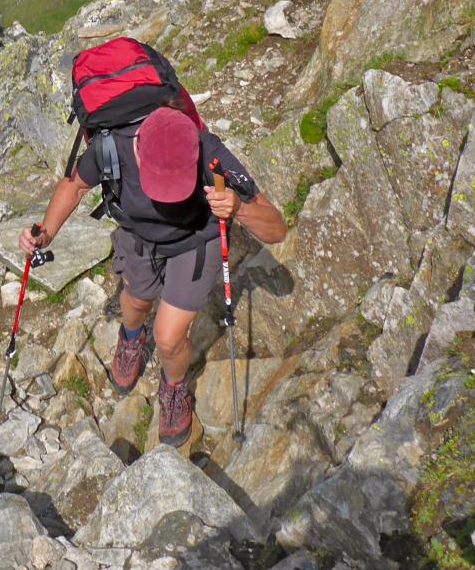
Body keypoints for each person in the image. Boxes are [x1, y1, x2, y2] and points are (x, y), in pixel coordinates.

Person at [20, 104, 287, 449]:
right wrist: (45, 233)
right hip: (139, 235)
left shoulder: (209, 153)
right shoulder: (112, 146)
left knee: (168, 338)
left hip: (195, 243)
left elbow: (276, 229)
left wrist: (239, 208)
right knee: (135, 301)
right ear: (137, 148)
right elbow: (75, 186)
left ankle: (174, 387)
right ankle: (131, 338)